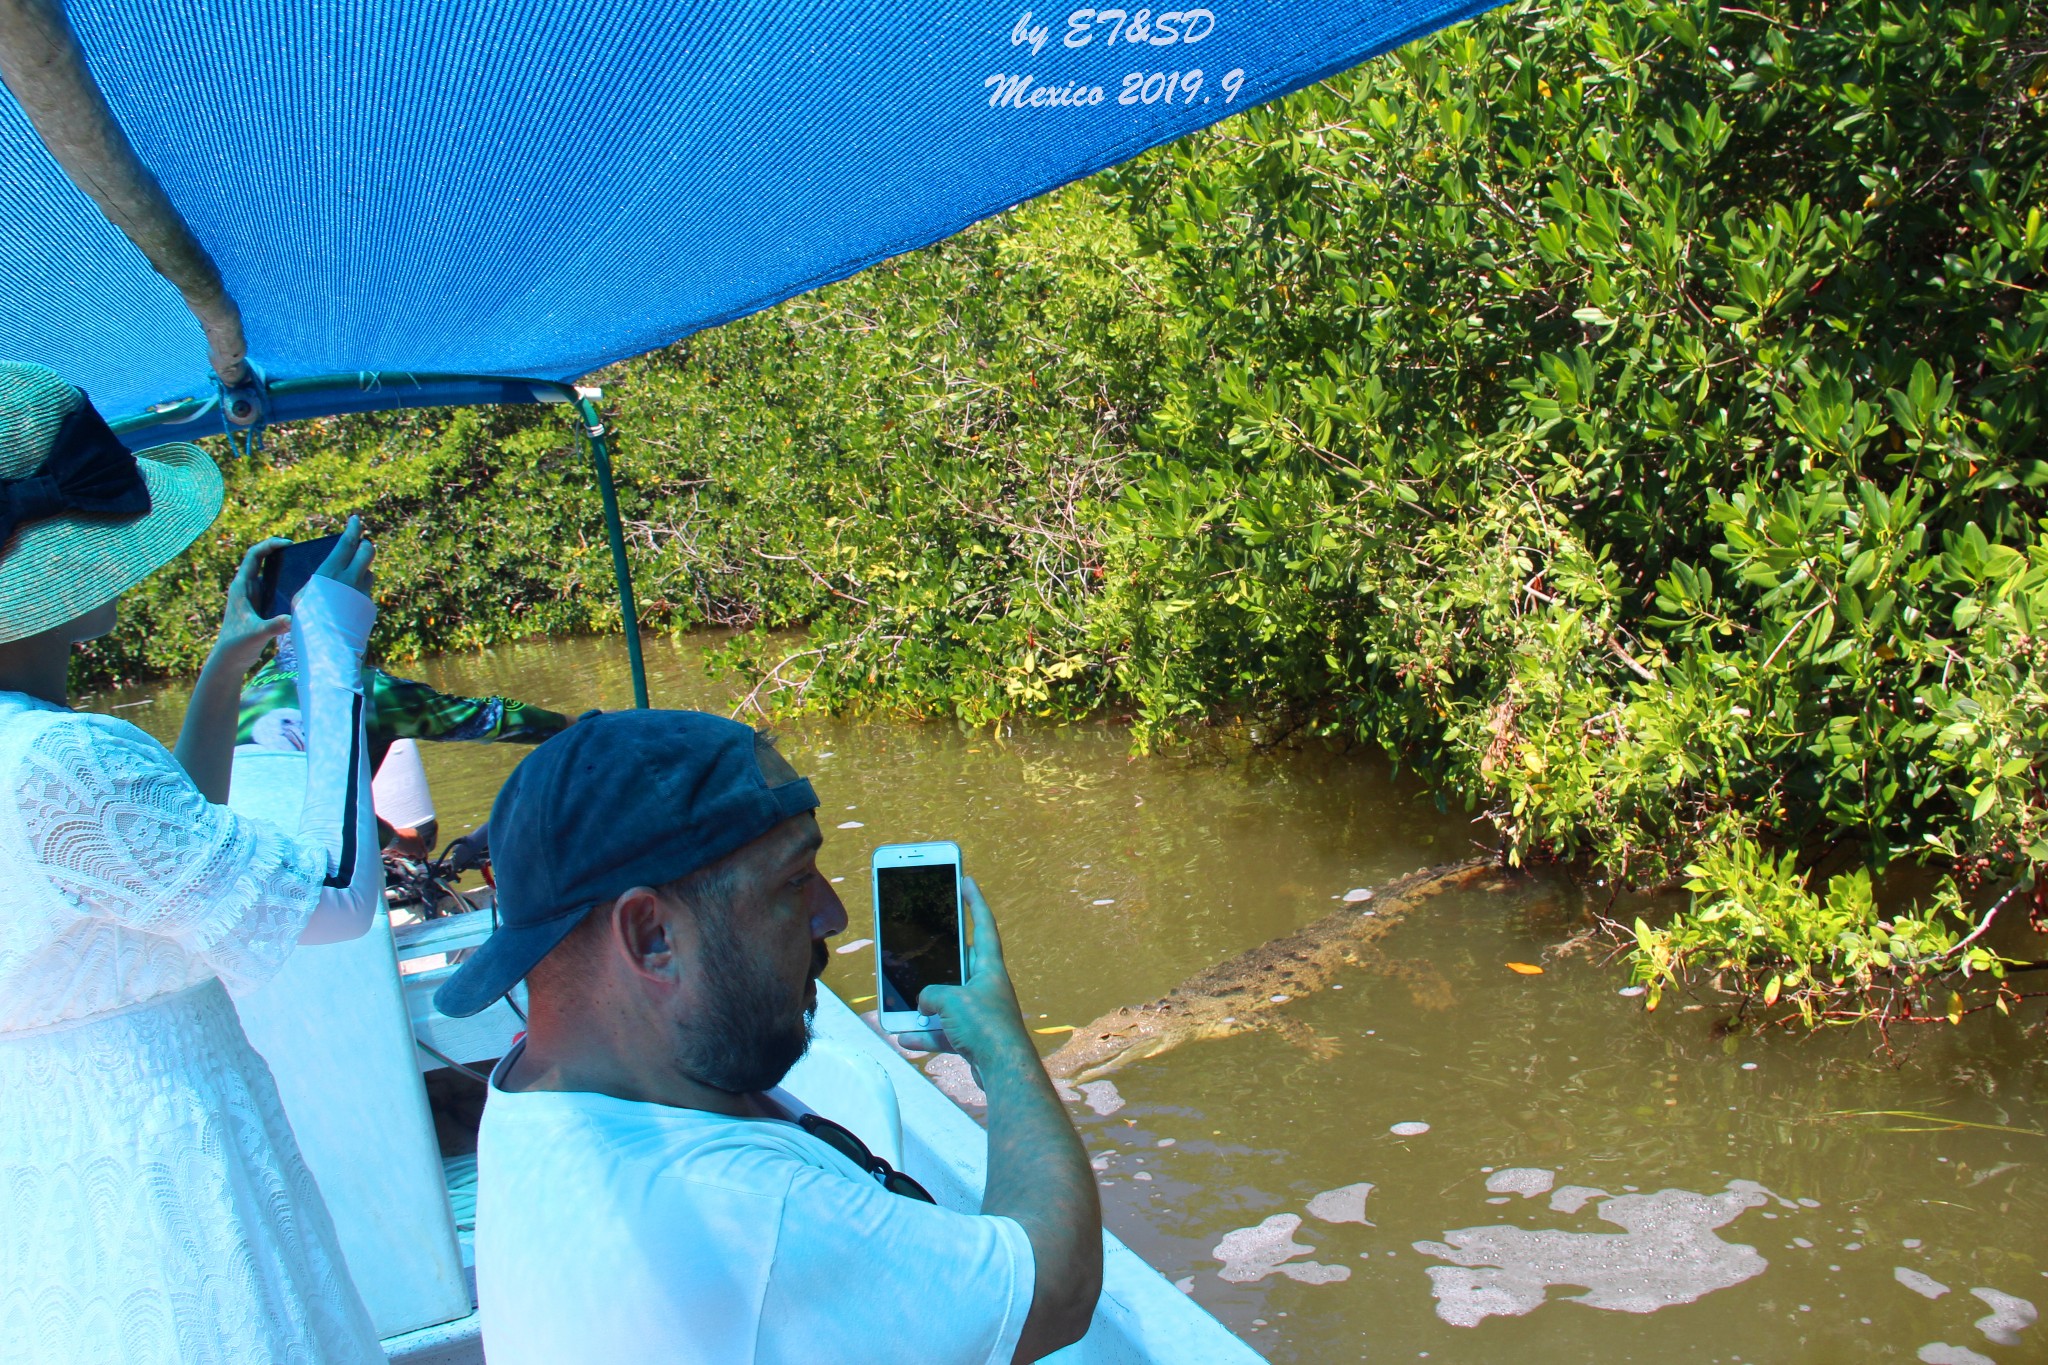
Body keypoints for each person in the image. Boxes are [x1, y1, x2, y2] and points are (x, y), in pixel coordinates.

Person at [433, 710, 1103, 1364]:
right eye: (794, 880)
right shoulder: (747, 1218)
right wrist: (1004, 1048)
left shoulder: (535, 1095)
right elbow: (1055, 1283)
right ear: (650, 935)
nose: (833, 914)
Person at [0, 362, 387, 1364]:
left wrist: (226, 665)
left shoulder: (43, 758)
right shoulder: (66, 756)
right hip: (168, 1150)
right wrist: (333, 653)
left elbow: (154, 859)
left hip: (46, 1162)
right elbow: (338, 898)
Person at [239, 640, 572, 854]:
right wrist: (573, 725)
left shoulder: (252, 689)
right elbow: (487, 719)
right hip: (312, 864)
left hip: (238, 862)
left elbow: (286, 798)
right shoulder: (367, 690)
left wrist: (389, 835)